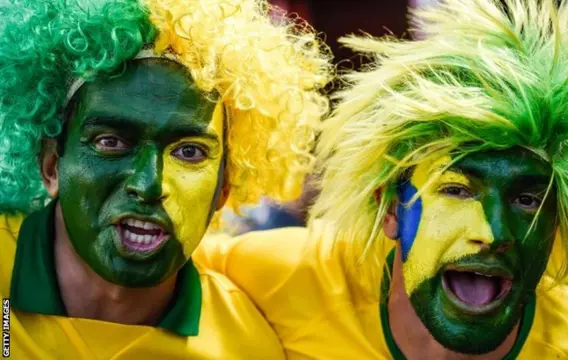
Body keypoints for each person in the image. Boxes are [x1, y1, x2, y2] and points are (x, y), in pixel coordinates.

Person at [197, 0, 568, 358]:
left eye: (527, 200)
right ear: (390, 207)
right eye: (457, 190)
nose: (493, 233)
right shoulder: (286, 277)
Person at [0, 0, 331, 358]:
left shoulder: (242, 347)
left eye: (190, 152)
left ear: (224, 186)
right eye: (110, 142)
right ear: (51, 165)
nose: (150, 184)